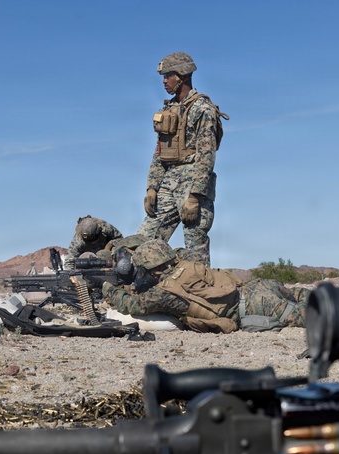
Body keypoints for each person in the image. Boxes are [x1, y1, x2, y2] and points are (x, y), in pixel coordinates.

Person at [101, 239, 311, 333]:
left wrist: (107, 288)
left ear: (153, 270)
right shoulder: (186, 262)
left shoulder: (164, 292)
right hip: (257, 287)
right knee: (307, 296)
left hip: (257, 306)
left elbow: (132, 305)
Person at [137, 52, 227, 266]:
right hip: (169, 182)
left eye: (168, 75)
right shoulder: (168, 110)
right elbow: (160, 152)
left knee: (195, 250)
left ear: (182, 75)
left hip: (193, 182)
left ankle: (200, 286)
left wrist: (195, 196)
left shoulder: (203, 109)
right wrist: (152, 187)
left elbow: (207, 156)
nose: (164, 81)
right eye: (164, 76)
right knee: (143, 242)